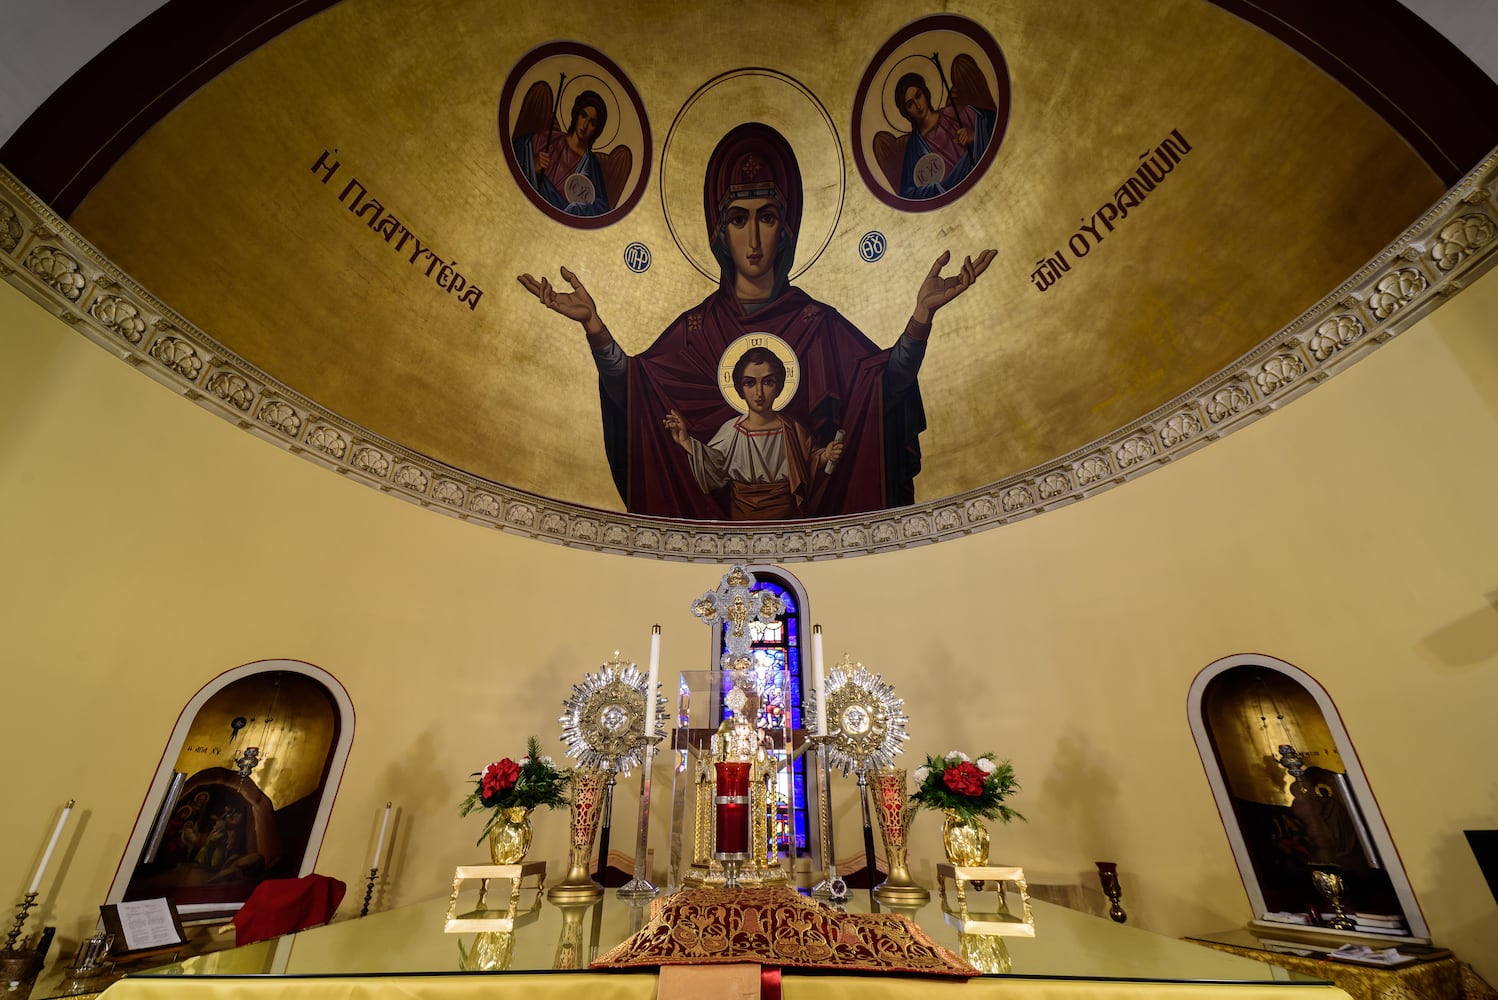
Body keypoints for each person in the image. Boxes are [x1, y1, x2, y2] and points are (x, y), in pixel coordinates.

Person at [519, 121, 994, 519]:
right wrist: (595, 329)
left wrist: (920, 319)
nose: (752, 240)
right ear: (719, 231)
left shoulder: (819, 324)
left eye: (766, 218)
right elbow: (639, 393)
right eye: (738, 220)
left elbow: (882, 390)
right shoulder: (694, 331)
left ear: (784, 229)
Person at [664, 346, 844, 520]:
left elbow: (808, 462)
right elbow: (713, 466)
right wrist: (685, 440)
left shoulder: (793, 428)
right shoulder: (731, 430)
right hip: (744, 516)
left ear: (779, 386)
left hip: (787, 517)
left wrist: (826, 455)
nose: (759, 392)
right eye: (750, 383)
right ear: (740, 389)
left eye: (768, 382)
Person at [895, 71, 995, 201]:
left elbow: (993, 123)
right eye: (910, 104)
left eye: (918, 96)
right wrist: (934, 188)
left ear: (925, 93)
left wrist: (976, 135)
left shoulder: (953, 113)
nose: (918, 106)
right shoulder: (914, 148)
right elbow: (907, 194)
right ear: (905, 112)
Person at [512, 89, 612, 216]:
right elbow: (515, 152)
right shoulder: (548, 140)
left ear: (597, 129)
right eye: (583, 115)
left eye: (592, 122)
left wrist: (580, 207)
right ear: (576, 115)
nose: (585, 125)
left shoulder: (591, 166)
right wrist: (532, 165)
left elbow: (602, 210)